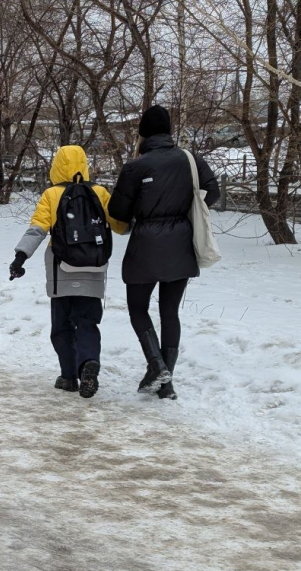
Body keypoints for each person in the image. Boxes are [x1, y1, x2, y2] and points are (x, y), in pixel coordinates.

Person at [108, 105, 220, 400]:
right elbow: (213, 193)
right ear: (169, 130)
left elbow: (117, 209)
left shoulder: (136, 166)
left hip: (145, 243)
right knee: (169, 312)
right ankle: (166, 383)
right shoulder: (191, 160)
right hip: (182, 244)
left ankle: (157, 367)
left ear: (142, 133)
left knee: (137, 308)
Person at [9, 145, 128, 398]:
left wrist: (20, 258)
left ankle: (68, 376)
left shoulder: (51, 195)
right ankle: (88, 363)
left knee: (62, 326)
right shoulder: (100, 192)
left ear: (57, 165)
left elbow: (37, 229)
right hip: (94, 269)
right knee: (88, 322)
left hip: (61, 269)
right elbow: (120, 226)